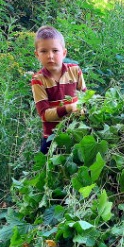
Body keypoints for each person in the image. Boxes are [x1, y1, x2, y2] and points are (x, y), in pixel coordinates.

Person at [32, 26, 86, 154]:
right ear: (37, 55)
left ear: (64, 53)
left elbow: (85, 97)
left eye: (55, 50)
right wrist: (68, 108)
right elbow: (44, 114)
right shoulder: (38, 80)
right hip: (52, 137)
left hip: (76, 133)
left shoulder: (75, 70)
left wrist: (83, 109)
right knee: (47, 169)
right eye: (44, 51)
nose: (50, 56)